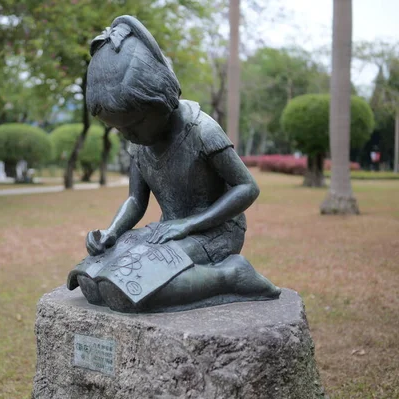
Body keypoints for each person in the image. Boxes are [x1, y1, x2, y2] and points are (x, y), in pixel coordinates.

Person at [67, 16, 280, 312]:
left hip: (215, 233)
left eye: (136, 124)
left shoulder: (202, 131)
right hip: (167, 231)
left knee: (134, 291)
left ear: (160, 99)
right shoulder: (139, 145)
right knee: (93, 281)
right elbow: (135, 199)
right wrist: (112, 232)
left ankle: (231, 275)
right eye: (121, 130)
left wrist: (188, 224)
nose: (130, 135)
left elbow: (247, 187)